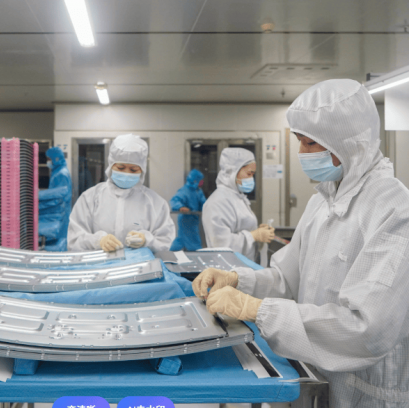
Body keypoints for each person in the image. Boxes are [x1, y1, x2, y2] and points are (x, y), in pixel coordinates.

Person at [194, 79, 409, 408]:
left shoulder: (393, 209)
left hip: (364, 391)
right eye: (299, 142)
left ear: (349, 143)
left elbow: (366, 329)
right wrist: (238, 281)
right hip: (312, 374)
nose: (302, 154)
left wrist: (258, 310)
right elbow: (288, 280)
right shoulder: (322, 200)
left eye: (310, 143)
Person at [68, 134, 175, 252]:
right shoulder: (89, 198)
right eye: (120, 168)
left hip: (142, 264)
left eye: (133, 169)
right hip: (100, 263)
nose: (127, 173)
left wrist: (147, 241)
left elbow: (165, 242)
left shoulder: (156, 203)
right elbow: (74, 240)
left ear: (142, 170)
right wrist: (97, 241)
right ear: (111, 166)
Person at [202, 148, 274, 260]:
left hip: (244, 265)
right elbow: (221, 245)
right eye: (249, 174)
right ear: (232, 172)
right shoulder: (217, 202)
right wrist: (253, 236)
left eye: (253, 174)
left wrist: (258, 232)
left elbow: (241, 228)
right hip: (228, 267)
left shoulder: (237, 197)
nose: (251, 179)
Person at [38, 146, 73, 251]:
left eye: (49, 159)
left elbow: (58, 196)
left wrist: (39, 198)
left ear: (56, 158)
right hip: (61, 211)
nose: (48, 161)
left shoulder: (61, 174)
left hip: (61, 212)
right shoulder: (57, 171)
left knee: (60, 241)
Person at [169, 169, 207, 251]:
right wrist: (180, 207)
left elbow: (204, 204)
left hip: (194, 220)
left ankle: (169, 252)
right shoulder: (185, 190)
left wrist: (209, 208)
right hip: (186, 220)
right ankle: (197, 254)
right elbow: (174, 200)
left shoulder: (198, 191)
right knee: (192, 241)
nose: (202, 182)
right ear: (195, 180)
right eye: (200, 180)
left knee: (182, 240)